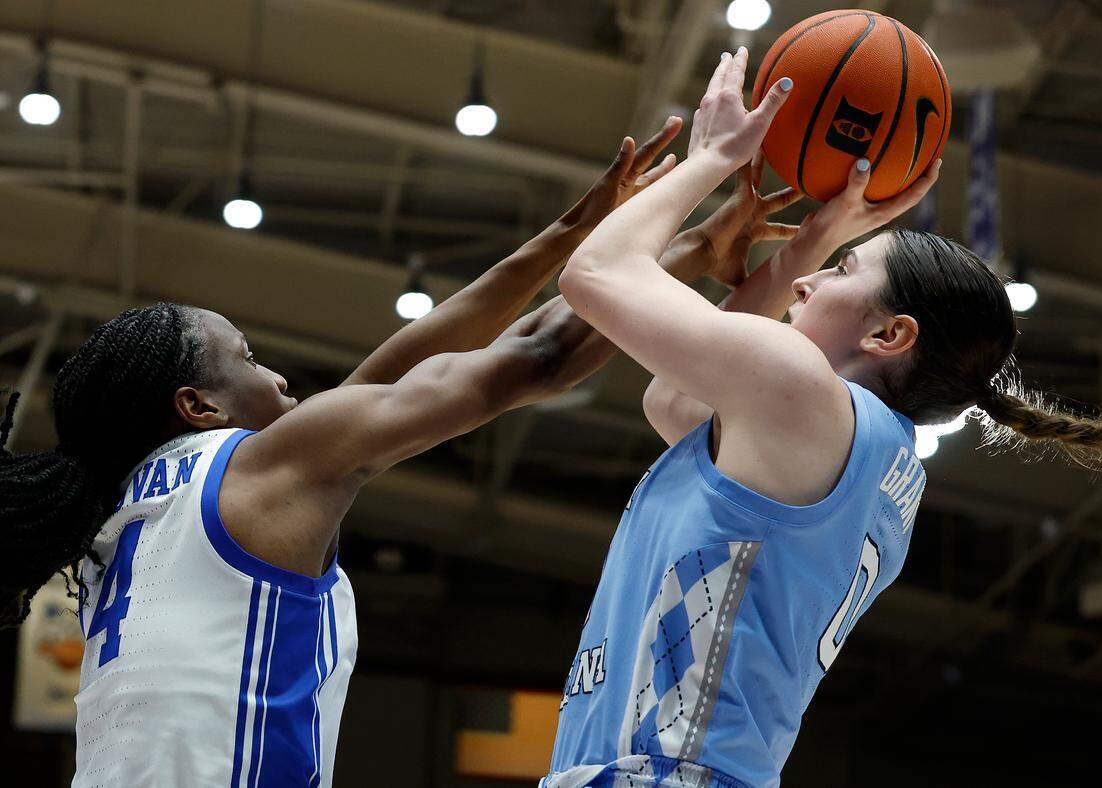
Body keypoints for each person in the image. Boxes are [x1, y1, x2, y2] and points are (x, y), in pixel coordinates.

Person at [0, 119, 729, 788]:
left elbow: (397, 370)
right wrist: (698, 182)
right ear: (199, 406)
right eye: (249, 358)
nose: (279, 377)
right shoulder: (260, 471)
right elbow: (538, 354)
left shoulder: (127, 516)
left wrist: (594, 226)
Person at [545, 47, 1102, 787]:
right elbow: (672, 398)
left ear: (890, 336)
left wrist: (716, 157)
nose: (811, 282)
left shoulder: (805, 399)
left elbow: (595, 274)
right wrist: (819, 236)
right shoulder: (864, 452)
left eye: (843, 271)